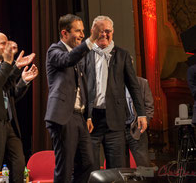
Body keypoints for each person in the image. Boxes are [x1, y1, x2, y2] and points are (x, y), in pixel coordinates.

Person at [84, 15, 147, 170]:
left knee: (117, 169)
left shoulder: (122, 54)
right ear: (93, 31)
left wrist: (141, 113)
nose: (104, 34)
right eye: (100, 31)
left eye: (108, 31)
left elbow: (133, 86)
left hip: (115, 120)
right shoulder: (85, 54)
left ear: (112, 32)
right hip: (90, 120)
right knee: (88, 167)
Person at [45, 14, 99, 183]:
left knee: (88, 163)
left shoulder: (78, 56)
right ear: (64, 33)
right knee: (65, 167)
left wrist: (88, 115)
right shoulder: (55, 51)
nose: (82, 35)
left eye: (83, 31)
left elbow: (83, 86)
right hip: (63, 116)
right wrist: (90, 41)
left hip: (78, 116)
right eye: (78, 31)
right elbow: (67, 59)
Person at [0, 21, 36, 183]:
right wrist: (8, 63)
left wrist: (15, 68)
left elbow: (6, 89)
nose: (7, 47)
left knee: (18, 163)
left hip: (4, 121)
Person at [125, 76, 154, 167]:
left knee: (143, 164)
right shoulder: (113, 84)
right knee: (121, 167)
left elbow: (149, 106)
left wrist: (145, 123)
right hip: (119, 130)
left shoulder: (142, 82)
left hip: (137, 128)